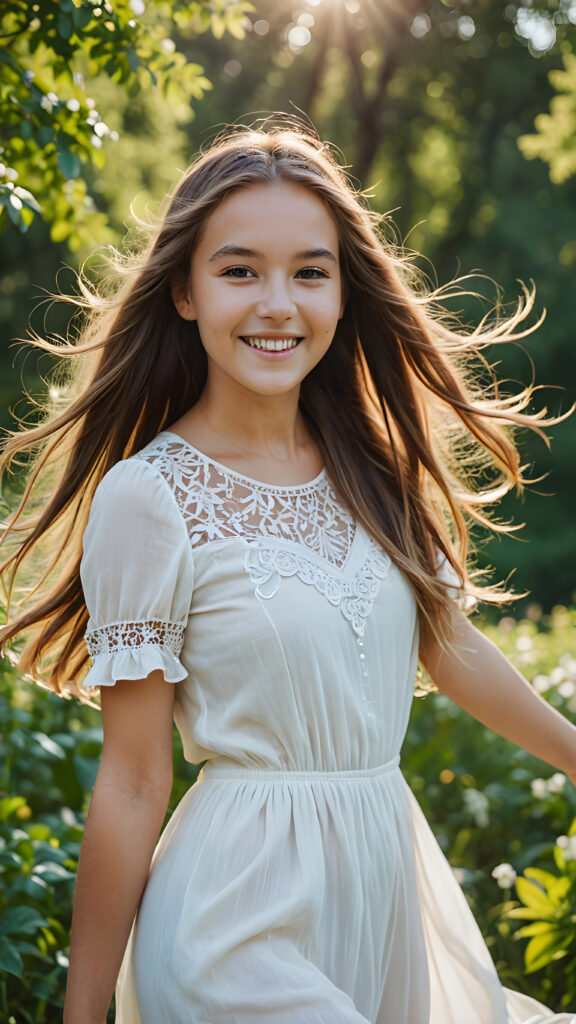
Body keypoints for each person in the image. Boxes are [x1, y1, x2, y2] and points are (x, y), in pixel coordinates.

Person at [1, 118, 575, 1024]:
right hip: (232, 921)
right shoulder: (149, 499)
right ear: (185, 294)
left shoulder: (370, 469)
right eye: (239, 271)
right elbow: (135, 779)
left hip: (385, 895)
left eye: (310, 271)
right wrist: (83, 1016)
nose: (279, 303)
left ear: (344, 294)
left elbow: (446, 644)